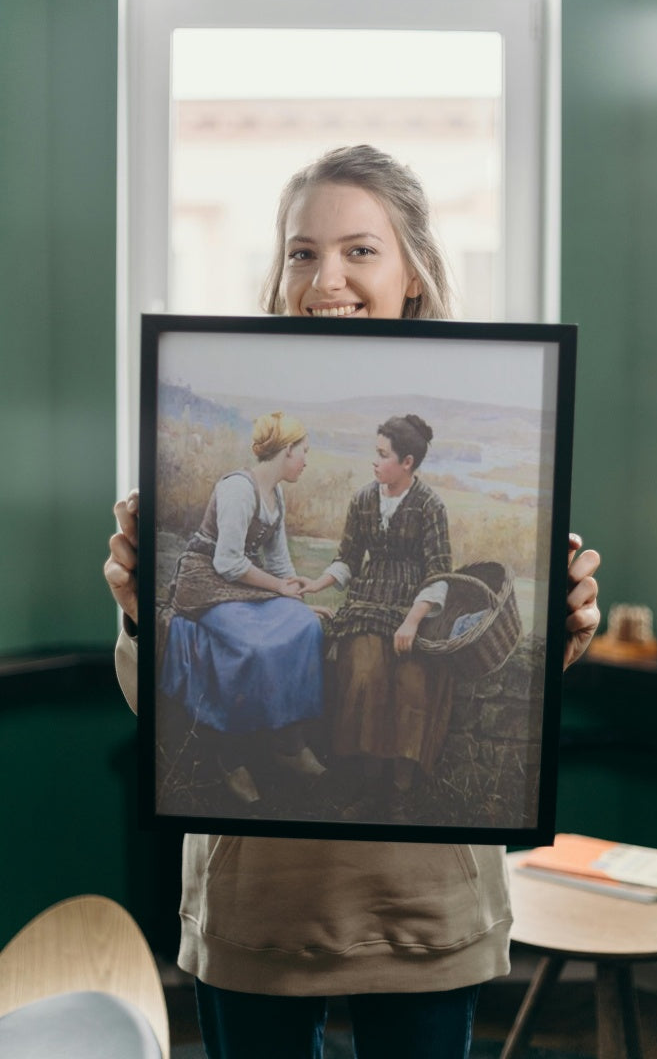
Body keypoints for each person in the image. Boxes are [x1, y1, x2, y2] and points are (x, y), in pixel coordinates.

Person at [105, 144, 601, 1059]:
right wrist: (140, 612)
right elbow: (157, 698)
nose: (324, 276)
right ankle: (303, 744)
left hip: (423, 908)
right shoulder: (261, 480)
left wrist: (566, 631)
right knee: (337, 645)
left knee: (365, 651)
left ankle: (375, 762)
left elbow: (452, 593)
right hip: (258, 906)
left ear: (413, 271)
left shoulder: (483, 423)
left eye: (359, 250)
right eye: (301, 251)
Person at [158, 411, 327, 806]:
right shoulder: (238, 489)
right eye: (304, 452)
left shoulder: (276, 493)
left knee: (306, 626)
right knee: (253, 647)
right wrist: (278, 588)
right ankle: (229, 757)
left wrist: (297, 599)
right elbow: (228, 563)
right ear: (287, 451)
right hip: (204, 584)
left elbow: (280, 562)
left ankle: (289, 745)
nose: (306, 460)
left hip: (241, 583)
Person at [298, 412, 454, 806]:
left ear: (408, 463)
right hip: (368, 602)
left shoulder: (430, 506)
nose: (375, 461)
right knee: (365, 673)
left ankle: (401, 786)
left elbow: (439, 574)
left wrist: (412, 622)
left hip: (412, 605)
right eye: (376, 453)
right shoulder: (363, 499)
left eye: (384, 455)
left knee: (413, 679)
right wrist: (318, 583)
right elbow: (348, 558)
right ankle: (367, 779)